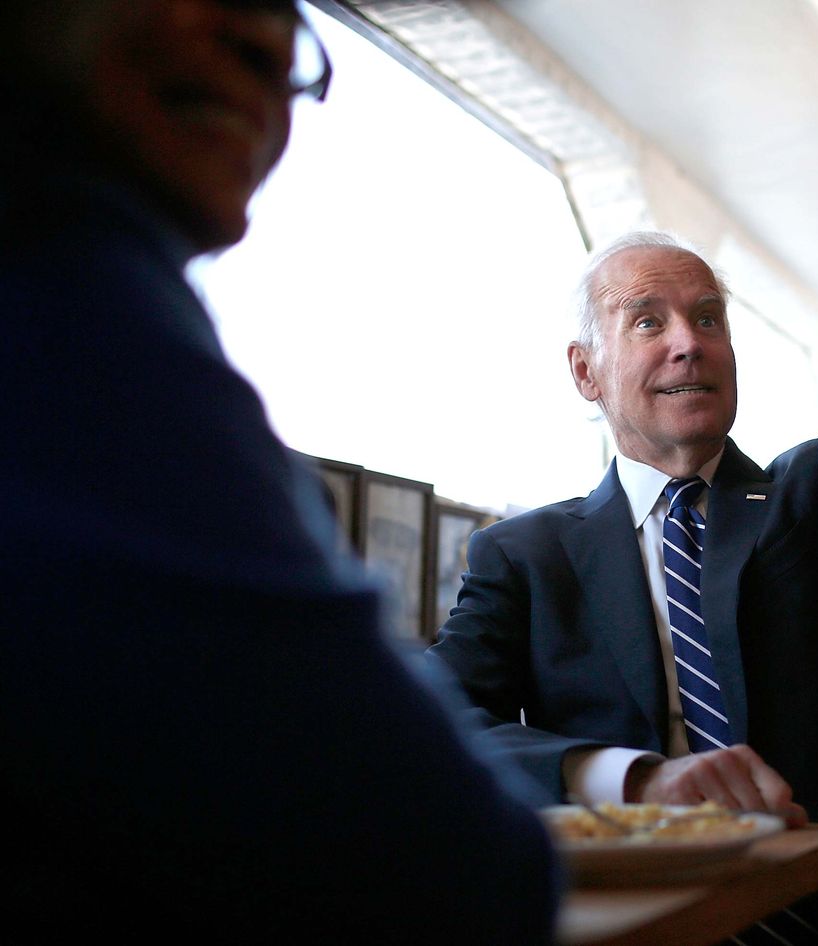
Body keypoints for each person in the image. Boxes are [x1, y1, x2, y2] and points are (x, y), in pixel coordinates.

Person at [1, 2, 557, 942]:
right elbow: (443, 864)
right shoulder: (72, 300)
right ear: (582, 369)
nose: (262, 40)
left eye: (284, 16)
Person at [429, 58, 818, 945]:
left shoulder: (813, 492)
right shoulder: (525, 558)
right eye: (648, 321)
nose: (689, 344)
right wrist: (627, 780)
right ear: (586, 371)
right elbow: (442, 726)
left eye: (708, 317)